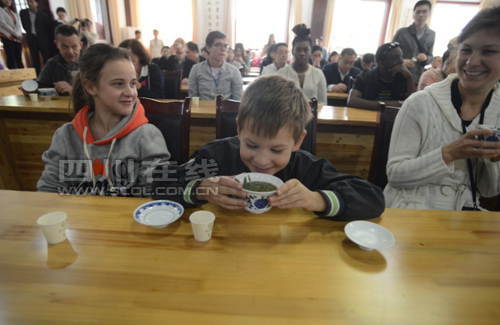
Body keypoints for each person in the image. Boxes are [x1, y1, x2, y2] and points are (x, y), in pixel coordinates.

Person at [153, 75, 384, 220]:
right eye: (252, 145)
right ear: (239, 128)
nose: (262, 161)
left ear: (297, 141)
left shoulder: (304, 167)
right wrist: (199, 189)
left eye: (276, 150)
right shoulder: (215, 157)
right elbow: (160, 186)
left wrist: (316, 199)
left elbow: (373, 199)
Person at [384, 7, 500, 210]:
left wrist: (492, 161)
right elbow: (395, 175)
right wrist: (448, 153)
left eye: (488, 51)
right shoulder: (420, 103)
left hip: (462, 218)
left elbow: (489, 191)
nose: (472, 62)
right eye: (466, 50)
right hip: (408, 214)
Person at [37, 43, 170, 196]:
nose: (130, 92)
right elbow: (48, 191)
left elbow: (156, 192)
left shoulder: (146, 135)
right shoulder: (66, 136)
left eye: (133, 83)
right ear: (91, 87)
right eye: (118, 84)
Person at [347, 42, 416, 110]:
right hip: (369, 118)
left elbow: (413, 105)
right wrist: (388, 105)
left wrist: (409, 77)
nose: (401, 61)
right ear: (381, 62)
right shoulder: (366, 76)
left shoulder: (404, 77)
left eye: (401, 56)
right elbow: (352, 101)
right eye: (395, 58)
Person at [277, 24, 327, 105]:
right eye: (298, 50)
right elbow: (277, 102)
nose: (302, 53)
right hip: (287, 116)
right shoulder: (281, 74)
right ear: (293, 51)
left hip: (312, 116)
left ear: (310, 52)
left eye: (306, 50)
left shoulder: (318, 74)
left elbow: (322, 102)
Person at [188, 30, 242, 101]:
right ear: (208, 47)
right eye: (218, 45)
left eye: (225, 46)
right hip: (202, 111)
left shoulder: (234, 71)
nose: (223, 49)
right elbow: (193, 99)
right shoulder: (196, 69)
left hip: (225, 111)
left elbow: (237, 101)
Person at [392, 0, 435, 82]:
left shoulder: (432, 34)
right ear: (413, 15)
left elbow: (431, 56)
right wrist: (401, 61)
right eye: (418, 12)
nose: (421, 14)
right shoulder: (402, 32)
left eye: (424, 11)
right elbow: (390, 53)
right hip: (400, 74)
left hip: (417, 77)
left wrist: (426, 58)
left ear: (429, 13)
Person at [38, 24, 81, 95]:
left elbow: (99, 93)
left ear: (81, 45)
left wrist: (73, 91)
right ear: (56, 44)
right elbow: (41, 87)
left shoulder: (90, 63)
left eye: (74, 46)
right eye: (65, 47)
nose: (70, 52)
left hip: (85, 106)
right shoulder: (52, 64)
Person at [0, 0, 23, 69]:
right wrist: (16, 34)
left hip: (17, 38)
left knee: (19, 58)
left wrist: (19, 34)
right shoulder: (1, 10)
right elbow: (3, 24)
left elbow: (18, 24)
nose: (7, 1)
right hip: (8, 37)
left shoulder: (13, 11)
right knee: (11, 59)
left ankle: (23, 76)